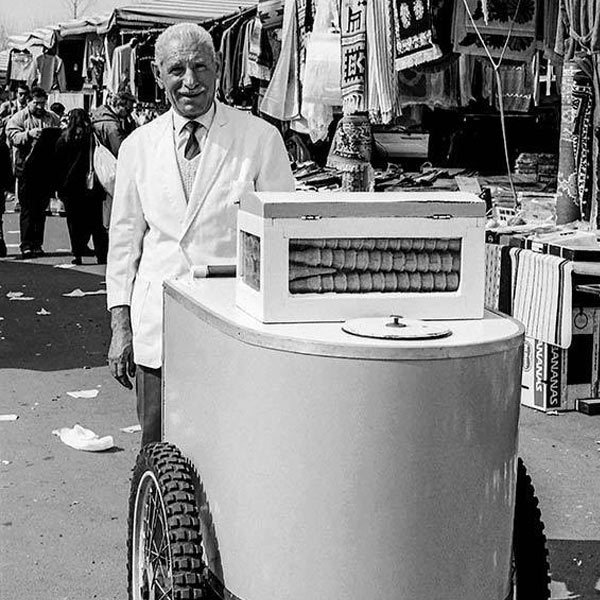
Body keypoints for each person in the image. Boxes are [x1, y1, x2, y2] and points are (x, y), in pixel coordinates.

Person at [106, 22, 295, 445]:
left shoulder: (260, 139)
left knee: (232, 449)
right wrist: (121, 325)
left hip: (233, 325)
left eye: (200, 67)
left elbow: (285, 238)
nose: (189, 82)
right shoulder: (138, 146)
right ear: (159, 76)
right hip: (159, 324)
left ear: (219, 69)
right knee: (156, 445)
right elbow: (123, 243)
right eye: (176, 70)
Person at [6, 86, 60, 258]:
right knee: (28, 209)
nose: (39, 107)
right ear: (29, 101)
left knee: (40, 209)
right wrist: (29, 134)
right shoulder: (19, 117)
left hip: (45, 169)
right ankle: (27, 245)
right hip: (26, 169)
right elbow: (12, 136)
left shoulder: (51, 117)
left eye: (42, 103)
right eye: (36, 103)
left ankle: (37, 244)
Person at [54, 108, 108, 265]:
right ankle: (101, 254)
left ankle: (77, 252)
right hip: (91, 186)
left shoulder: (63, 139)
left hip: (70, 187)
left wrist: (58, 188)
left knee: (74, 223)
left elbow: (57, 165)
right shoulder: (92, 137)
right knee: (96, 222)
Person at [91, 90, 136, 158]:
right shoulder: (113, 127)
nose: (129, 113)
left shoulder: (100, 114)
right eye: (128, 109)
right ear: (118, 106)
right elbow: (121, 152)